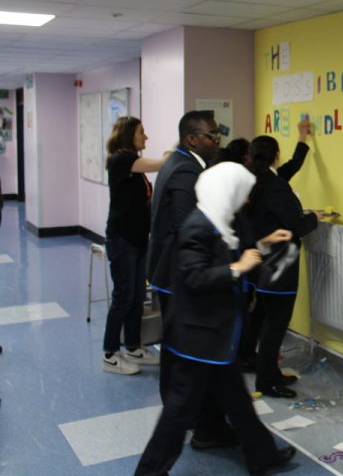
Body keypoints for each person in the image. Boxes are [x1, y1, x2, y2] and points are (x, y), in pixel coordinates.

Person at [135, 162, 296, 476]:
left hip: (216, 337)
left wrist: (264, 245)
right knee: (177, 415)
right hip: (197, 340)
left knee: (238, 403)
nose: (246, 200)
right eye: (242, 193)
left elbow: (233, 255)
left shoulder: (220, 223)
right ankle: (149, 472)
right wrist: (239, 268)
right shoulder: (197, 226)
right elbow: (195, 277)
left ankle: (263, 457)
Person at [146, 109, 232, 448]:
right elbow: (187, 229)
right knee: (187, 353)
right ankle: (193, 422)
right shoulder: (186, 170)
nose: (217, 141)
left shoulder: (180, 161)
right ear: (192, 138)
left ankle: (195, 420)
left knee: (180, 351)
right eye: (212, 135)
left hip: (170, 271)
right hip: (178, 275)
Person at [245, 131, 321, 398]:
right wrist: (315, 217)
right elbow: (296, 226)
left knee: (269, 324)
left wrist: (303, 140)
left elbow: (290, 168)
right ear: (275, 155)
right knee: (275, 326)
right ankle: (266, 382)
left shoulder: (254, 181)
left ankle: (271, 374)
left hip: (261, 263)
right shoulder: (275, 187)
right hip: (278, 266)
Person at [101, 116, 166, 375]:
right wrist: (179, 146)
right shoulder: (120, 160)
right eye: (142, 132)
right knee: (123, 297)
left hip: (138, 240)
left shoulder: (133, 166)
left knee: (138, 297)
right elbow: (160, 163)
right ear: (129, 135)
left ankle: (133, 347)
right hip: (122, 240)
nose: (146, 137)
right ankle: (110, 353)